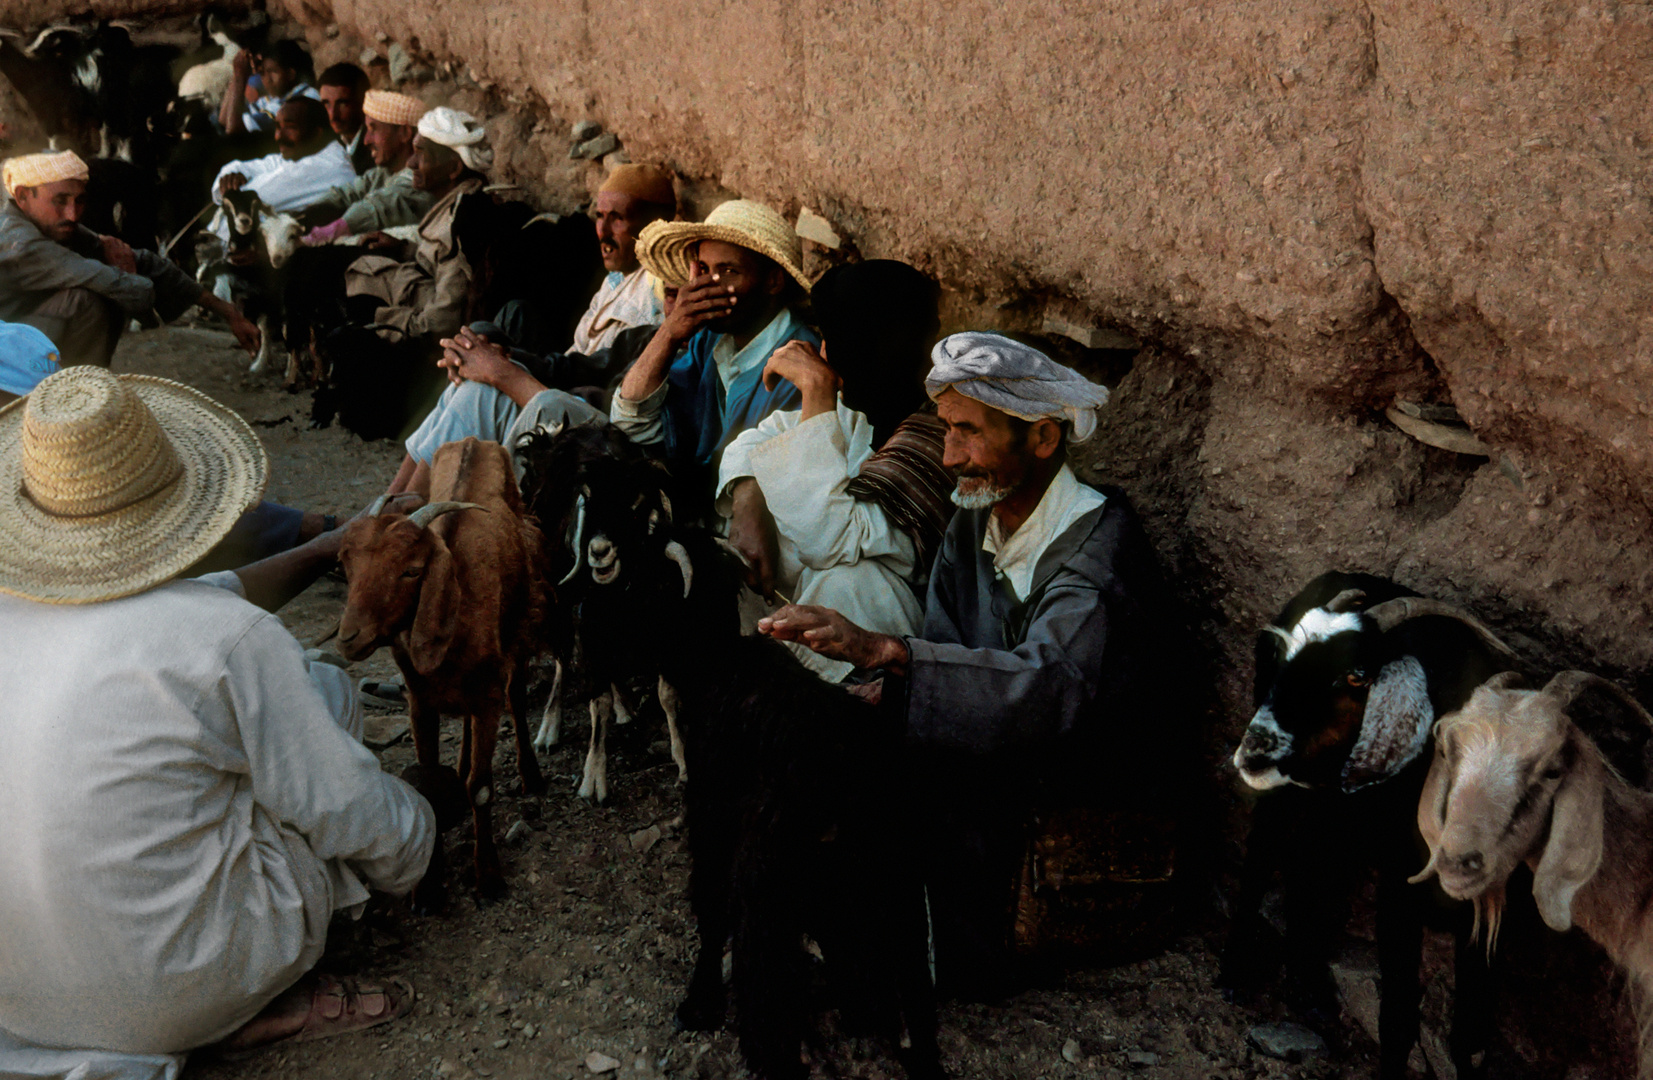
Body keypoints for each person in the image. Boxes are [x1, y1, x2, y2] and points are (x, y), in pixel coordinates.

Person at [0, 366, 434, 1077]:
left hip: (16, 997)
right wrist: (420, 837)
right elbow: (345, 807)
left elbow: (192, 603)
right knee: (317, 729)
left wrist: (328, 546)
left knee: (295, 703)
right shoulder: (224, 638)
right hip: (164, 990)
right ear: (180, 492)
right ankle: (237, 1000)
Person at [760, 332, 1170, 996]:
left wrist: (885, 653)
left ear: (1041, 439)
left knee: (895, 862)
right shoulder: (973, 520)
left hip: (1070, 805)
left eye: (967, 433)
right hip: (994, 763)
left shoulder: (1098, 560)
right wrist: (877, 691)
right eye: (945, 430)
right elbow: (946, 647)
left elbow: (1045, 691)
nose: (949, 455)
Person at [718, 260, 953, 682]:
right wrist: (747, 497)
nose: (822, 354)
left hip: (900, 644)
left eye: (833, 339)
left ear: (865, 345)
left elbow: (825, 540)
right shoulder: (859, 411)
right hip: (822, 612)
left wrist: (816, 394)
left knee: (848, 580)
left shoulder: (937, 435)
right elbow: (755, 441)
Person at [381, 163, 678, 496]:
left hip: (587, 432)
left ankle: (398, 511)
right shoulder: (619, 278)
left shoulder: (657, 296)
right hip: (564, 397)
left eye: (618, 219)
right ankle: (387, 505)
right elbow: (579, 362)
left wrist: (504, 371)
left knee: (481, 392)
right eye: (600, 216)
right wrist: (493, 353)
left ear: (655, 226)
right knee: (486, 350)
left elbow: (601, 392)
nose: (603, 231)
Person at [614, 198, 817, 502]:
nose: (712, 286)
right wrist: (669, 333)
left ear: (773, 281)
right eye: (705, 269)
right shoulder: (709, 340)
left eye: (729, 271)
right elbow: (631, 421)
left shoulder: (798, 363)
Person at [0, 150, 261, 366]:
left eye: (79, 201)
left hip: (18, 336)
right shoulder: (19, 241)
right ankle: (72, 398)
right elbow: (117, 283)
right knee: (89, 300)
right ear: (23, 196)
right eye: (60, 201)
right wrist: (128, 276)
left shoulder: (49, 223)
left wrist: (229, 313)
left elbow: (145, 260)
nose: (72, 214)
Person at [342, 106, 491, 342]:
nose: (410, 163)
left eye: (421, 154)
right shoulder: (457, 203)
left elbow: (442, 323)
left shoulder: (461, 223)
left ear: (454, 168)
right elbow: (438, 263)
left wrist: (379, 321)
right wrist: (403, 249)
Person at [299, 89, 431, 243]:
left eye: (373, 129)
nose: (366, 140)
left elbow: (383, 206)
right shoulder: (383, 173)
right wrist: (303, 218)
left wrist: (331, 231)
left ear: (404, 133)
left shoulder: (422, 177)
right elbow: (346, 194)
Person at [210, 97, 358, 225]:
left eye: (290, 127)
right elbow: (236, 167)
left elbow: (255, 198)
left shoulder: (328, 166)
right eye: (277, 127)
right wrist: (231, 178)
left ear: (316, 133)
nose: (278, 136)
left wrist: (232, 191)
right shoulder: (301, 153)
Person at [220, 38, 318, 138]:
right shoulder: (272, 99)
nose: (267, 79)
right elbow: (224, 120)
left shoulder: (304, 97)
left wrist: (240, 76)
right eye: (262, 73)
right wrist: (238, 74)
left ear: (290, 74)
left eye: (272, 71)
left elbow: (234, 131)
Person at [316, 62, 373, 173]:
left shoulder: (375, 147)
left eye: (342, 103)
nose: (333, 115)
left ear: (362, 101)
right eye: (326, 104)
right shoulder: (326, 143)